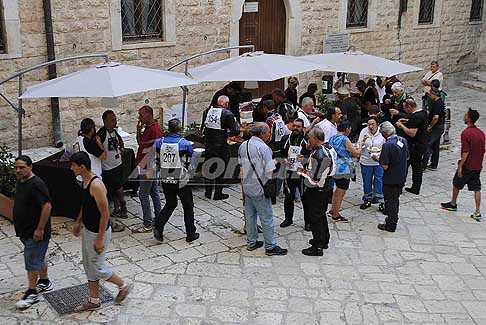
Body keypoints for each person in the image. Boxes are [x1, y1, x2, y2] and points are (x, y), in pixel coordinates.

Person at [70, 152, 132, 312]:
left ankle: (122, 286)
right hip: (89, 229)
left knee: (97, 266)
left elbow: (105, 213)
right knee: (88, 264)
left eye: (73, 166)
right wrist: (78, 222)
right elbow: (86, 204)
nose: (71, 168)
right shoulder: (83, 181)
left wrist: (99, 239)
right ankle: (94, 300)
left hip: (99, 232)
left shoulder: (96, 185)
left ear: (82, 167)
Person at [238, 123, 288, 256]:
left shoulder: (243, 145)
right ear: (263, 133)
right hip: (260, 187)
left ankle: (251, 242)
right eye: (268, 132)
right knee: (266, 217)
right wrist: (277, 163)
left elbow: (241, 166)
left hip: (247, 186)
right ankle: (270, 246)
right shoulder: (264, 148)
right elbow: (270, 170)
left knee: (250, 215)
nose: (269, 134)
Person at [13, 155, 53, 310]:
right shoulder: (21, 181)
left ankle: (31, 292)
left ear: (30, 167)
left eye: (21, 167)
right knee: (38, 256)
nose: (18, 170)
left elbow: (47, 206)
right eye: (16, 167)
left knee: (31, 261)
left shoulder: (36, 184)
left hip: (35, 232)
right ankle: (44, 281)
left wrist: (40, 228)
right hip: (25, 230)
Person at [153, 119, 199, 242]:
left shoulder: (159, 142)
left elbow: (156, 161)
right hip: (181, 178)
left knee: (170, 203)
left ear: (169, 128)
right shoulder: (185, 144)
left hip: (165, 176)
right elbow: (191, 163)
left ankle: (158, 225)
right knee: (188, 206)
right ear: (179, 129)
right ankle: (190, 233)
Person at [441, 109, 485, 222]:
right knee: (477, 188)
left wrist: (460, 166)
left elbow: (466, 151)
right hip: (477, 165)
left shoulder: (466, 133)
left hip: (468, 165)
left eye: (465, 115)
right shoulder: (481, 133)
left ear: (469, 118)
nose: (464, 116)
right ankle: (477, 212)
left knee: (456, 183)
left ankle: (453, 203)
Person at [300, 127, 334, 256]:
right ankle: (324, 239)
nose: (308, 140)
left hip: (318, 190)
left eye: (309, 138)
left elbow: (314, 178)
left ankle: (317, 246)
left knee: (315, 217)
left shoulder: (319, 154)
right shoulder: (327, 148)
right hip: (326, 186)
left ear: (315, 138)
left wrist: (301, 172)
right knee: (321, 215)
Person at [202, 95, 240, 200]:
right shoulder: (227, 113)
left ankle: (208, 192)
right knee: (221, 167)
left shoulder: (207, 111)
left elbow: (203, 127)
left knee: (209, 167)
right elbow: (235, 131)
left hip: (208, 144)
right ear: (226, 104)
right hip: (220, 145)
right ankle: (218, 193)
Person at [373, 122, 408, 232]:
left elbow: (385, 165)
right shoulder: (402, 140)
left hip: (391, 178)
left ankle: (391, 223)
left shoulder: (388, 145)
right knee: (395, 199)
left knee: (390, 201)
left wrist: (376, 158)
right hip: (401, 175)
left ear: (385, 133)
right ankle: (393, 219)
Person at [134, 105, 163, 233]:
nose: (139, 117)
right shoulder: (148, 128)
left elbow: (157, 149)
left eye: (141, 115)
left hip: (149, 166)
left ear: (148, 114)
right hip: (146, 165)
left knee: (143, 194)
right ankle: (159, 218)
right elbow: (140, 143)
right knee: (154, 192)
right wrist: (138, 131)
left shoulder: (155, 129)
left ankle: (148, 223)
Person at [328, 121, 361, 223]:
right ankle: (336, 214)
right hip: (344, 168)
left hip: (334, 167)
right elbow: (356, 153)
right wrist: (361, 145)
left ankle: (333, 210)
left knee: (336, 190)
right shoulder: (344, 139)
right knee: (341, 191)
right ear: (347, 129)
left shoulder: (332, 138)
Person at [97, 110, 127, 219]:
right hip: (108, 166)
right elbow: (97, 144)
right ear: (105, 121)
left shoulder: (114, 131)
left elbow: (120, 140)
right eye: (112, 120)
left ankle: (122, 206)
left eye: (115, 119)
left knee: (118, 187)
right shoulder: (101, 133)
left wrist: (122, 148)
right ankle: (117, 207)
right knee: (114, 188)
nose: (115, 122)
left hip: (117, 164)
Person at [280, 118, 308, 228]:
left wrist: (304, 158)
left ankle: (308, 222)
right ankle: (288, 219)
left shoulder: (307, 140)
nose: (296, 128)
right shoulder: (286, 139)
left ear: (302, 128)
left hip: (302, 173)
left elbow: (312, 155)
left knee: (305, 198)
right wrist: (284, 160)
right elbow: (281, 153)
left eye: (298, 126)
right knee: (288, 197)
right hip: (289, 172)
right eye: (294, 126)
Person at [396, 98, 428, 195]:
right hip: (421, 145)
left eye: (405, 108)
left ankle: (399, 187)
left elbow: (412, 133)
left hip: (414, 147)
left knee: (404, 167)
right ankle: (416, 187)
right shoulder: (422, 113)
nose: (405, 110)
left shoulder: (416, 117)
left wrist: (401, 126)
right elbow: (417, 124)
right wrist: (408, 121)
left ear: (409, 107)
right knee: (417, 168)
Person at [357, 117, 385, 212]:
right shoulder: (364, 131)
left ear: (377, 124)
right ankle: (367, 199)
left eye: (373, 124)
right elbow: (359, 145)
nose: (370, 126)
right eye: (369, 124)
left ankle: (381, 201)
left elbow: (386, 145)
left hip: (379, 161)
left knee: (379, 180)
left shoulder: (382, 132)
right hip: (366, 161)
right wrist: (363, 142)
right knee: (367, 180)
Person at [422, 89, 446, 170]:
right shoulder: (438, 102)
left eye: (430, 94)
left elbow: (436, 117)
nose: (429, 96)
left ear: (434, 94)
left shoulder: (438, 103)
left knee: (428, 144)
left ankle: (423, 165)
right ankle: (433, 165)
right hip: (439, 126)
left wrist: (430, 127)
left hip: (436, 127)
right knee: (435, 146)